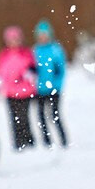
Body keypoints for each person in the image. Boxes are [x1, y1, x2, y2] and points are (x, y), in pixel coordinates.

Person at [0, 25, 38, 151]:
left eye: (16, 39)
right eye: (10, 40)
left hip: (25, 92)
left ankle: (29, 143)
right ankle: (18, 144)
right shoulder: (3, 56)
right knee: (14, 119)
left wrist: (28, 74)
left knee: (24, 119)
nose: (13, 42)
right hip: (10, 93)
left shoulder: (26, 54)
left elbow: (33, 70)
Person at [31, 19, 69, 147]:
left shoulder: (56, 50)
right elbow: (33, 69)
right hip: (40, 90)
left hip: (54, 89)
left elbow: (61, 70)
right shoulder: (35, 51)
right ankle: (47, 142)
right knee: (41, 117)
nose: (42, 37)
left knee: (55, 115)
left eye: (45, 34)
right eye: (40, 35)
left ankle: (63, 140)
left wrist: (57, 84)